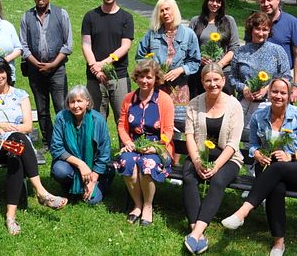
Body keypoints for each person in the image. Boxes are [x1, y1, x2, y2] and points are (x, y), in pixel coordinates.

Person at [220, 77, 297, 256]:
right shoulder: (259, 116)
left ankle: (243, 212)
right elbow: (253, 145)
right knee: (276, 188)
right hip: (267, 168)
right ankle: (279, 243)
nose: (278, 96)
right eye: (275, 92)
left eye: (283, 93)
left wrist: (291, 156)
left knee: (278, 167)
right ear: (269, 93)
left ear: (289, 95)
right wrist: (257, 154)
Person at [0, 57, 68, 235]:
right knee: (18, 140)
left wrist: (13, 128)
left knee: (15, 155)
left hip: (18, 146)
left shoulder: (20, 95)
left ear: (7, 72)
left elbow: (28, 126)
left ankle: (11, 217)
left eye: (1, 71)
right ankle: (41, 192)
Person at [182, 64, 244, 255]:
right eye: (208, 80)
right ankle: (197, 233)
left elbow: (233, 144)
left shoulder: (235, 106)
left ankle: (195, 233)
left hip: (228, 158)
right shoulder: (194, 103)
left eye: (216, 80)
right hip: (200, 154)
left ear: (223, 81)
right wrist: (198, 162)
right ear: (202, 82)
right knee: (189, 177)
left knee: (217, 181)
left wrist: (216, 166)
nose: (212, 84)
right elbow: (190, 136)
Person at [116, 59, 175, 227]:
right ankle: (137, 204)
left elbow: (169, 130)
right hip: (134, 144)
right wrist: (127, 141)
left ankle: (148, 206)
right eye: (140, 77)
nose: (144, 81)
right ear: (136, 78)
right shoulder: (129, 99)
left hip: (158, 147)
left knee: (147, 164)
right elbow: (122, 125)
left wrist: (155, 147)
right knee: (126, 162)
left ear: (156, 78)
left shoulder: (163, 100)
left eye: (148, 77)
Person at [19, 0, 73, 151]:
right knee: (42, 109)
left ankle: (64, 141)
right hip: (35, 70)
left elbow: (68, 44)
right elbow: (24, 46)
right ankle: (47, 141)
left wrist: (53, 64)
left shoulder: (61, 14)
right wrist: (36, 64)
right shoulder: (26, 17)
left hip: (57, 69)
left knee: (61, 107)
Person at [136, 0, 200, 129]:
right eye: (161, 10)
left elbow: (195, 61)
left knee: (178, 128)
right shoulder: (152, 34)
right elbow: (140, 57)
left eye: (167, 9)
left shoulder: (188, 34)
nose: (165, 13)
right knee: (154, 125)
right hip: (155, 89)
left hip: (179, 91)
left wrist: (181, 70)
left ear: (174, 11)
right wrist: (153, 71)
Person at [82, 0, 134, 127]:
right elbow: (86, 45)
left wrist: (102, 64)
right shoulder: (90, 16)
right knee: (95, 120)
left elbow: (125, 46)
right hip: (94, 77)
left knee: (123, 119)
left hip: (119, 76)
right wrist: (95, 68)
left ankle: (125, 150)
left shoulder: (126, 17)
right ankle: (97, 151)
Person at [50, 85, 112, 205]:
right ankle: (71, 185)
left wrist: (92, 181)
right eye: (72, 102)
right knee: (59, 170)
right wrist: (81, 164)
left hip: (95, 167)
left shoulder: (98, 120)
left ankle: (100, 182)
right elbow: (56, 148)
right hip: (72, 164)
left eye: (79, 101)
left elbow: (104, 153)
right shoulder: (61, 118)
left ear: (87, 102)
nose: (76, 105)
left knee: (92, 200)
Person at [229, 12, 290, 125]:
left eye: (265, 29)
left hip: (269, 103)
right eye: (257, 29)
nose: (261, 33)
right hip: (245, 103)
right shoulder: (240, 52)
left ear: (269, 31)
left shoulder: (277, 51)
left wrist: (268, 88)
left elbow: (286, 76)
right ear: (251, 30)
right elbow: (232, 77)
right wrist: (243, 88)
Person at [248, 0, 297, 103]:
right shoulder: (254, 23)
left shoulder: (292, 22)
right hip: (257, 83)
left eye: (269, 0)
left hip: (282, 83)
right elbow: (248, 51)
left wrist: (296, 86)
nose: (266, 4)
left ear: (277, 0)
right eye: (262, 1)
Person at [188, 0, 241, 98]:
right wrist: (199, 58)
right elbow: (188, 47)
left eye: (218, 1)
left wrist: (219, 65)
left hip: (223, 71)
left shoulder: (229, 21)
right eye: (212, 0)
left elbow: (234, 47)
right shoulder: (196, 21)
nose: (214, 4)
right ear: (207, 1)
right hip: (200, 71)